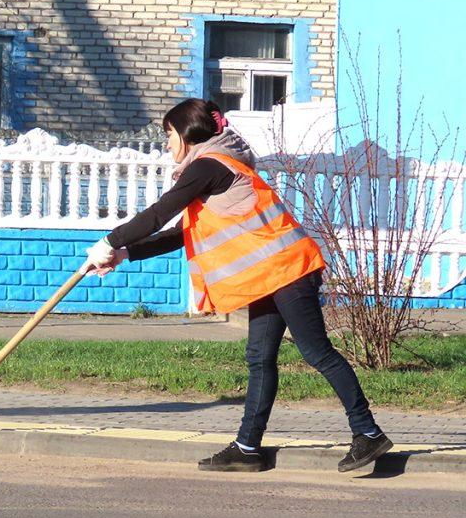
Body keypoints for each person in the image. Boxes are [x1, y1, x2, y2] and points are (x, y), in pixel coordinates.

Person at [83, 98, 391, 473]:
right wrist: (125, 253)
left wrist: (109, 241)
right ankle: (247, 448)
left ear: (186, 133)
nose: (166, 144)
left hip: (289, 269)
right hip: (269, 275)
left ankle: (368, 432)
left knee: (317, 352)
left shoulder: (209, 166)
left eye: (168, 134)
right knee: (260, 358)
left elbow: (157, 214)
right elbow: (182, 233)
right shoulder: (216, 167)